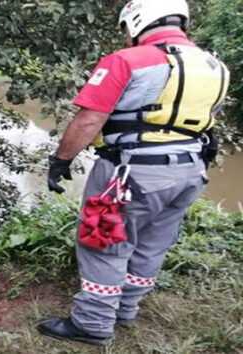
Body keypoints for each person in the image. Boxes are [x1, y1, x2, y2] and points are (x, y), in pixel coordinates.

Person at [40, 0, 230, 345]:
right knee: (151, 245)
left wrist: (61, 160)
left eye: (127, 29)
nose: (127, 37)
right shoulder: (215, 65)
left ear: (138, 20)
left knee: (103, 242)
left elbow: (89, 119)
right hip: (189, 173)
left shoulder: (127, 60)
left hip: (131, 174)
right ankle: (125, 310)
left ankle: (93, 324)